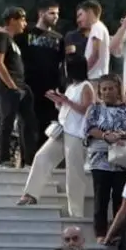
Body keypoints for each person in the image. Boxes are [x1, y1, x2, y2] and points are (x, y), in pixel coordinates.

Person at [20, 69, 95, 216]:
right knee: (42, 156)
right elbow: (66, 108)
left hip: (77, 133)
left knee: (74, 173)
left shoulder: (87, 86)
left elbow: (88, 109)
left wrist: (67, 101)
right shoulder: (71, 87)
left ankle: (76, 212)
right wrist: (59, 102)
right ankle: (31, 194)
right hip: (63, 129)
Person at [84, 76, 126, 246]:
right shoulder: (94, 108)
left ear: (118, 89)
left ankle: (117, 232)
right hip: (100, 159)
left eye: (111, 88)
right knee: (101, 197)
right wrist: (105, 135)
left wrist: (120, 135)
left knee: (119, 197)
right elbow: (89, 128)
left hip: (122, 159)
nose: (108, 92)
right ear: (100, 91)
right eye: (104, 89)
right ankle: (100, 232)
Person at [22, 3, 67, 159]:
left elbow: (62, 65)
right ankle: (26, 160)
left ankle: (44, 161)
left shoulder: (59, 38)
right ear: (41, 13)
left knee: (47, 127)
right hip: (29, 87)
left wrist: (61, 88)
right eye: (52, 13)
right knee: (28, 125)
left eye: (57, 13)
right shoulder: (26, 33)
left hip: (50, 89)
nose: (56, 17)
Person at [0, 7, 31, 167]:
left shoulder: (12, 40)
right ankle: (3, 159)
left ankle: (27, 159)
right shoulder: (2, 37)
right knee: (7, 121)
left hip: (20, 86)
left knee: (27, 122)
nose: (24, 24)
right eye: (22, 20)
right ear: (12, 20)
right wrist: (12, 86)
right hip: (9, 86)